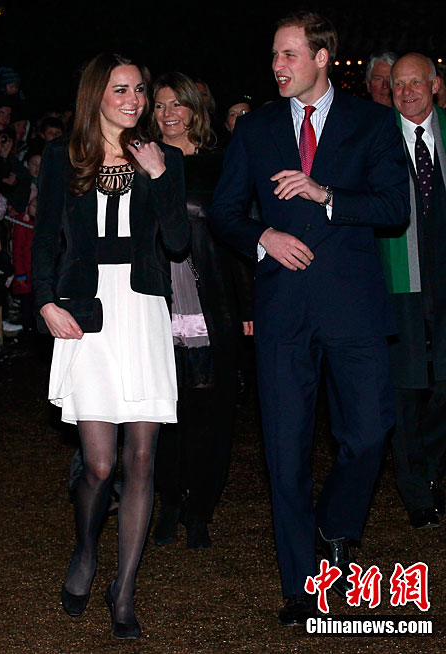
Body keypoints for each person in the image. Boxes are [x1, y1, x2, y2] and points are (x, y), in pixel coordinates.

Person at [208, 12, 408, 626]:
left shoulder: (372, 123)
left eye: (290, 55)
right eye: (275, 55)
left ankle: (336, 525)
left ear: (322, 57)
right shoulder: (259, 128)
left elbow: (394, 207)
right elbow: (225, 212)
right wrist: (264, 234)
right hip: (283, 312)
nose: (278, 66)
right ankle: (302, 585)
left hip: (353, 309)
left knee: (370, 432)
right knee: (285, 451)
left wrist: (325, 196)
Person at [32, 53, 189, 639]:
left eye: (140, 90)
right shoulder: (62, 158)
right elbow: (46, 236)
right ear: (96, 94)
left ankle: (124, 590)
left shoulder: (162, 157)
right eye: (121, 89)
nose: (135, 100)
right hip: (86, 313)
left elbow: (176, 243)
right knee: (99, 465)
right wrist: (45, 302)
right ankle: (86, 552)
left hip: (142, 310)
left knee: (141, 460)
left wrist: (159, 177)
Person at [148, 72, 248, 550]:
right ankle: (168, 502)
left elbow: (239, 238)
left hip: (212, 303)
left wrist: (248, 304)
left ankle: (201, 508)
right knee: (164, 409)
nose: (168, 114)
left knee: (211, 410)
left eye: (176, 105)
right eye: (161, 105)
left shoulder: (221, 164)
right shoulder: (143, 163)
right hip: (153, 304)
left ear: (194, 110)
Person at [377, 53, 446, 530]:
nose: (406, 92)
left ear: (435, 84)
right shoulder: (376, 139)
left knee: (444, 386)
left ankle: (432, 472)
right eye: (398, 85)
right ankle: (415, 488)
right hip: (399, 281)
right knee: (404, 389)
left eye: (415, 82)